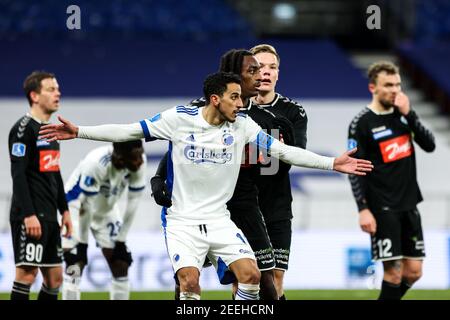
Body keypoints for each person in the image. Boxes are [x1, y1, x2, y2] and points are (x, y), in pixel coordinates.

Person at [39, 71, 373, 300]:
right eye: (235, 98)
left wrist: (332, 163)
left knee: (253, 276)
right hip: (182, 221)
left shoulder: (242, 125)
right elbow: (129, 131)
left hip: (219, 219)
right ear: (215, 99)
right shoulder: (179, 118)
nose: (241, 104)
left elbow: (283, 151)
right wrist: (79, 131)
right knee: (190, 282)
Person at [152, 49, 280, 299]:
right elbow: (180, 149)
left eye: (267, 69)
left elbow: (277, 164)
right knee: (187, 279)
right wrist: (158, 178)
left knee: (263, 277)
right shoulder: (201, 110)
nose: (260, 76)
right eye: (252, 71)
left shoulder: (266, 119)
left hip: (244, 203)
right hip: (199, 206)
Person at [348, 61, 435, 300]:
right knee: (394, 273)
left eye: (397, 84)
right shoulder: (361, 123)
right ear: (373, 88)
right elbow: (353, 169)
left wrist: (410, 113)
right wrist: (363, 209)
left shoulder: (403, 117)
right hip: (383, 208)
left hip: (409, 205)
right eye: (388, 85)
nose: (395, 90)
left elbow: (430, 145)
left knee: (414, 272)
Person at [249, 44, 308, 300]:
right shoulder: (235, 107)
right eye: (260, 67)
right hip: (241, 204)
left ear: (278, 74)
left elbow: (297, 154)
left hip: (277, 205)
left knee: (276, 276)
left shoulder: (293, 112)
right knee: (247, 277)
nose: (266, 72)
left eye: (272, 67)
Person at [8, 71, 73, 300]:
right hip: (31, 215)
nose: (58, 93)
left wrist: (64, 210)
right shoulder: (23, 129)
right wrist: (28, 215)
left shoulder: (52, 131)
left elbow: (54, 173)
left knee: (55, 278)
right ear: (35, 96)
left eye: (57, 88)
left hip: (49, 215)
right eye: (51, 89)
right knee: (27, 274)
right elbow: (18, 174)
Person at [61, 141, 146, 300]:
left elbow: (133, 202)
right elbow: (86, 206)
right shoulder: (96, 163)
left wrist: (121, 240)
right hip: (76, 208)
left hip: (106, 210)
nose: (140, 160)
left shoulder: (138, 162)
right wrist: (82, 244)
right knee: (75, 263)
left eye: (141, 154)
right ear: (120, 158)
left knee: (121, 263)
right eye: (136, 157)